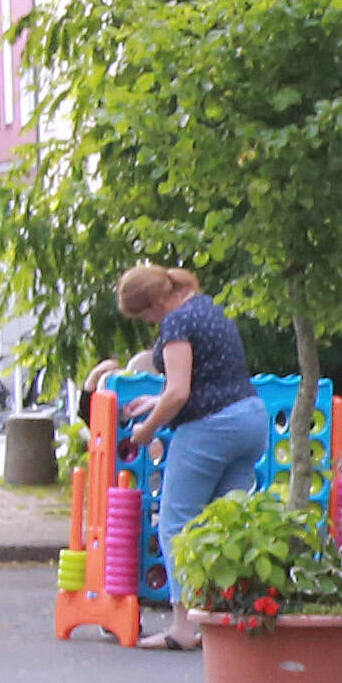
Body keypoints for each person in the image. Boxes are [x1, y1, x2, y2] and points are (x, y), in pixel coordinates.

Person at [116, 261, 268, 651]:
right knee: (224, 524)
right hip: (250, 420)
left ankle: (184, 628)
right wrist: (157, 400)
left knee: (177, 524)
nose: (149, 321)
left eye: (144, 314)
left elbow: (180, 392)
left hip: (211, 428)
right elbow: (207, 378)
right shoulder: (206, 307)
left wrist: (145, 431)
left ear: (153, 303)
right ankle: (224, 615)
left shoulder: (177, 323)